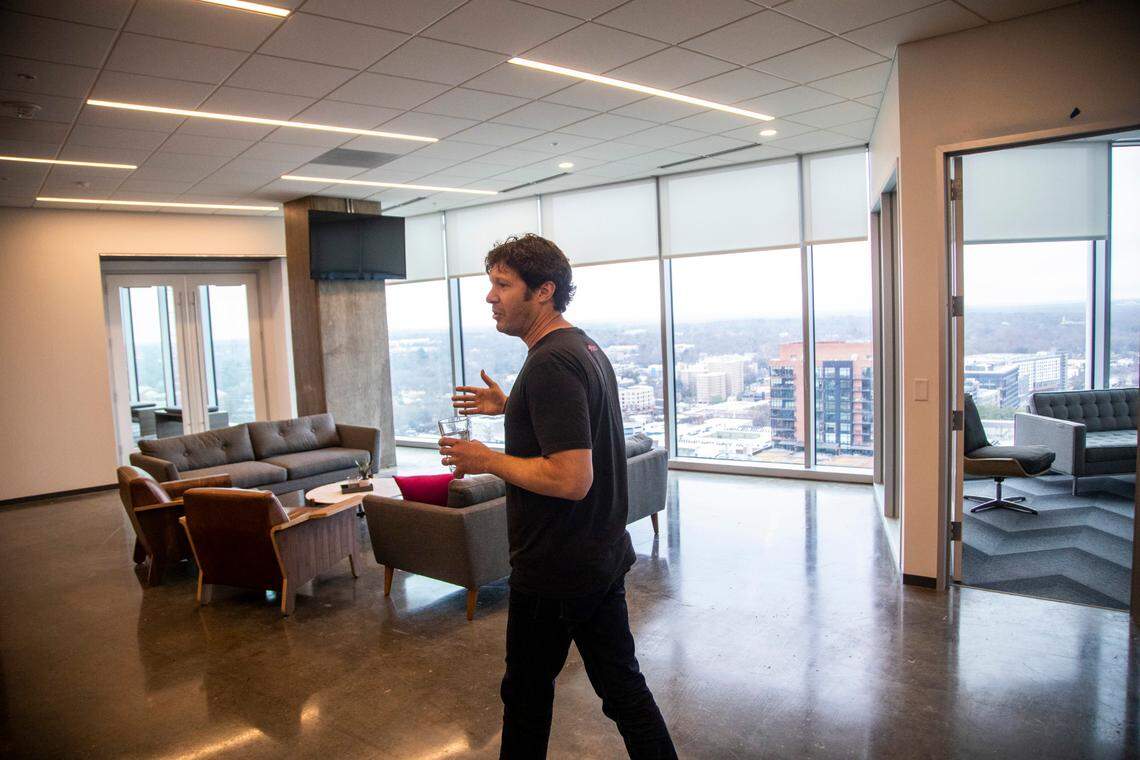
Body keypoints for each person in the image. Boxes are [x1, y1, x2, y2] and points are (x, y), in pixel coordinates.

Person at [438, 234, 677, 760]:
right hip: (595, 556)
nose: (490, 297)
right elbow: (575, 427)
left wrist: (485, 460)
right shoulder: (580, 347)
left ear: (543, 291)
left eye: (502, 285)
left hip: (557, 568)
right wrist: (513, 406)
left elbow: (572, 479)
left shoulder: (550, 364)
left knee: (525, 695)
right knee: (621, 690)